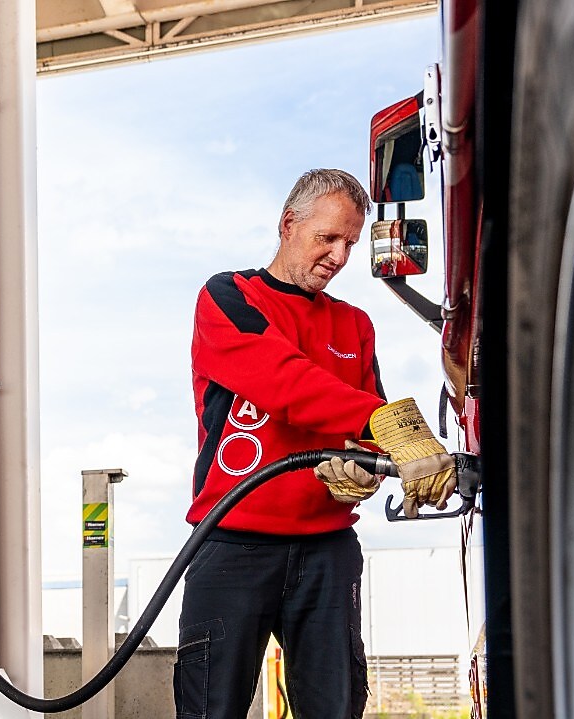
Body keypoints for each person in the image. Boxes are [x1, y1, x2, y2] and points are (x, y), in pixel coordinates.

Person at [175, 169, 456, 719]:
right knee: (211, 709)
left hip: (327, 550)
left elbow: (365, 439)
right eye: (327, 238)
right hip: (232, 544)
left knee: (336, 707)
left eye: (350, 242)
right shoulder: (229, 297)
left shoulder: (355, 324)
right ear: (288, 224)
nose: (339, 255)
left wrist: (365, 476)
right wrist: (386, 424)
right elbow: (286, 381)